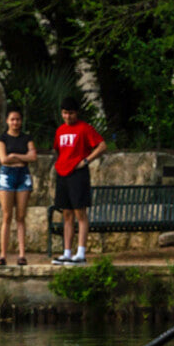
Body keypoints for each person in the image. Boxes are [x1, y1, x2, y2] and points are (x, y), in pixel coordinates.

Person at [50, 97, 107, 265]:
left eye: (71, 113)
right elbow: (57, 150)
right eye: (65, 113)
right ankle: (67, 252)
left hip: (78, 174)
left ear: (77, 113)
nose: (68, 117)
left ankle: (81, 252)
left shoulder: (85, 128)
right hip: (63, 173)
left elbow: (102, 145)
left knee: (79, 212)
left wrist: (87, 160)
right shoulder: (60, 130)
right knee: (66, 213)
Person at [0, 105, 37, 266]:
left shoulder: (27, 138)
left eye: (18, 119)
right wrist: (22, 157)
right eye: (12, 119)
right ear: (7, 121)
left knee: (20, 216)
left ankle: (22, 254)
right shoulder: (2, 138)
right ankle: (3, 255)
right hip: (7, 176)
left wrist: (15, 156)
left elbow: (33, 157)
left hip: (23, 176)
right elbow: (3, 159)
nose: (15, 122)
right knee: (7, 215)